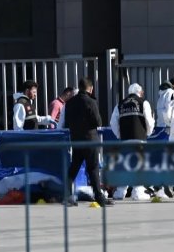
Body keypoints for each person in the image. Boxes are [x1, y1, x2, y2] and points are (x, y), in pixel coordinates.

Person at [60, 78, 113, 206]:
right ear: (90, 88)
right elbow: (98, 122)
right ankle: (99, 197)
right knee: (93, 168)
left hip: (76, 139)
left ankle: (66, 195)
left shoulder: (70, 102)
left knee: (74, 167)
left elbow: (66, 122)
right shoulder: (90, 101)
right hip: (90, 139)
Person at [110, 83, 155, 200]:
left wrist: (120, 135)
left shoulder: (120, 104)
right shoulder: (143, 102)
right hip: (139, 138)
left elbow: (113, 123)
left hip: (125, 139)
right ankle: (138, 192)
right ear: (139, 92)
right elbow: (149, 121)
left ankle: (120, 192)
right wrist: (148, 133)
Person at [149, 77, 174, 198]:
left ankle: (158, 185)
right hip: (168, 130)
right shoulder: (171, 94)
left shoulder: (160, 96)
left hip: (159, 129)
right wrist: (170, 125)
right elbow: (169, 112)